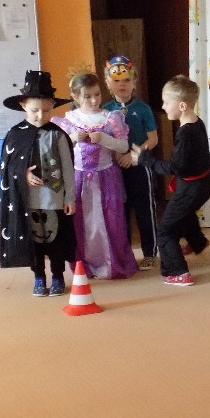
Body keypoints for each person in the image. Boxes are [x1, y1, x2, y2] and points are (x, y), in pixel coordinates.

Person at [0, 70, 77, 297]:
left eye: (46, 110)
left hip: (53, 199)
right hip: (28, 201)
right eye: (35, 110)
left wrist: (69, 196)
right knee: (34, 243)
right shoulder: (15, 134)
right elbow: (7, 167)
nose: (41, 115)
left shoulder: (57, 135)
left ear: (53, 107)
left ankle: (58, 276)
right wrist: (23, 175)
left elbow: (68, 168)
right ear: (23, 105)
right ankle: (39, 276)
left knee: (55, 241)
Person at [53, 71, 138, 280]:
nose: (94, 100)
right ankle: (84, 265)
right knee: (82, 222)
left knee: (111, 220)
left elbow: (123, 146)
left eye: (97, 94)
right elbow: (57, 149)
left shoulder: (110, 118)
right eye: (87, 96)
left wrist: (104, 139)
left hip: (106, 177)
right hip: (79, 178)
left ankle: (112, 263)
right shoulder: (69, 120)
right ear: (75, 97)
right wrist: (73, 137)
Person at [130, 75, 210, 286]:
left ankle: (178, 272)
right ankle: (197, 242)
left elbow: (174, 168)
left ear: (182, 106)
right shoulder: (197, 123)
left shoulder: (185, 135)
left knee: (165, 231)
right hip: (204, 184)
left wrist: (145, 159)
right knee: (183, 213)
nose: (163, 106)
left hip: (192, 188)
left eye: (167, 102)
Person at [103, 55, 160, 271]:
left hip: (140, 166)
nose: (122, 85)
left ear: (134, 82)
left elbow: (153, 139)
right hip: (115, 167)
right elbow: (104, 138)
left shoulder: (143, 109)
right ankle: (125, 255)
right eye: (116, 81)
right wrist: (116, 155)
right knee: (120, 211)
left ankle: (150, 253)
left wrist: (133, 155)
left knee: (145, 210)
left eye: (127, 80)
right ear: (108, 83)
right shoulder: (106, 110)